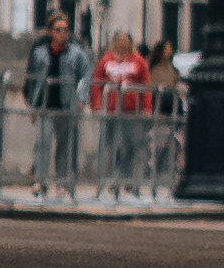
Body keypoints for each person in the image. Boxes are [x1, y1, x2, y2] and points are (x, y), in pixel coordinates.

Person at [25, 13, 90, 191]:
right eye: (58, 30)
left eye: (65, 30)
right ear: (50, 32)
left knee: (65, 145)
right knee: (43, 143)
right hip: (45, 103)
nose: (63, 34)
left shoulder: (77, 54)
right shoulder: (40, 53)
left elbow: (86, 76)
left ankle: (63, 181)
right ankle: (40, 180)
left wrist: (82, 98)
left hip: (66, 104)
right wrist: (31, 101)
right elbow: (31, 78)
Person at [91, 23, 154, 194]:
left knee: (132, 146)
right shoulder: (106, 60)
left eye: (125, 40)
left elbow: (146, 85)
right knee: (112, 146)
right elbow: (97, 82)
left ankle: (128, 179)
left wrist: (147, 107)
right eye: (119, 40)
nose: (122, 43)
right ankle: (112, 179)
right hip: (111, 110)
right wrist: (96, 103)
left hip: (132, 111)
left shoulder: (138, 61)